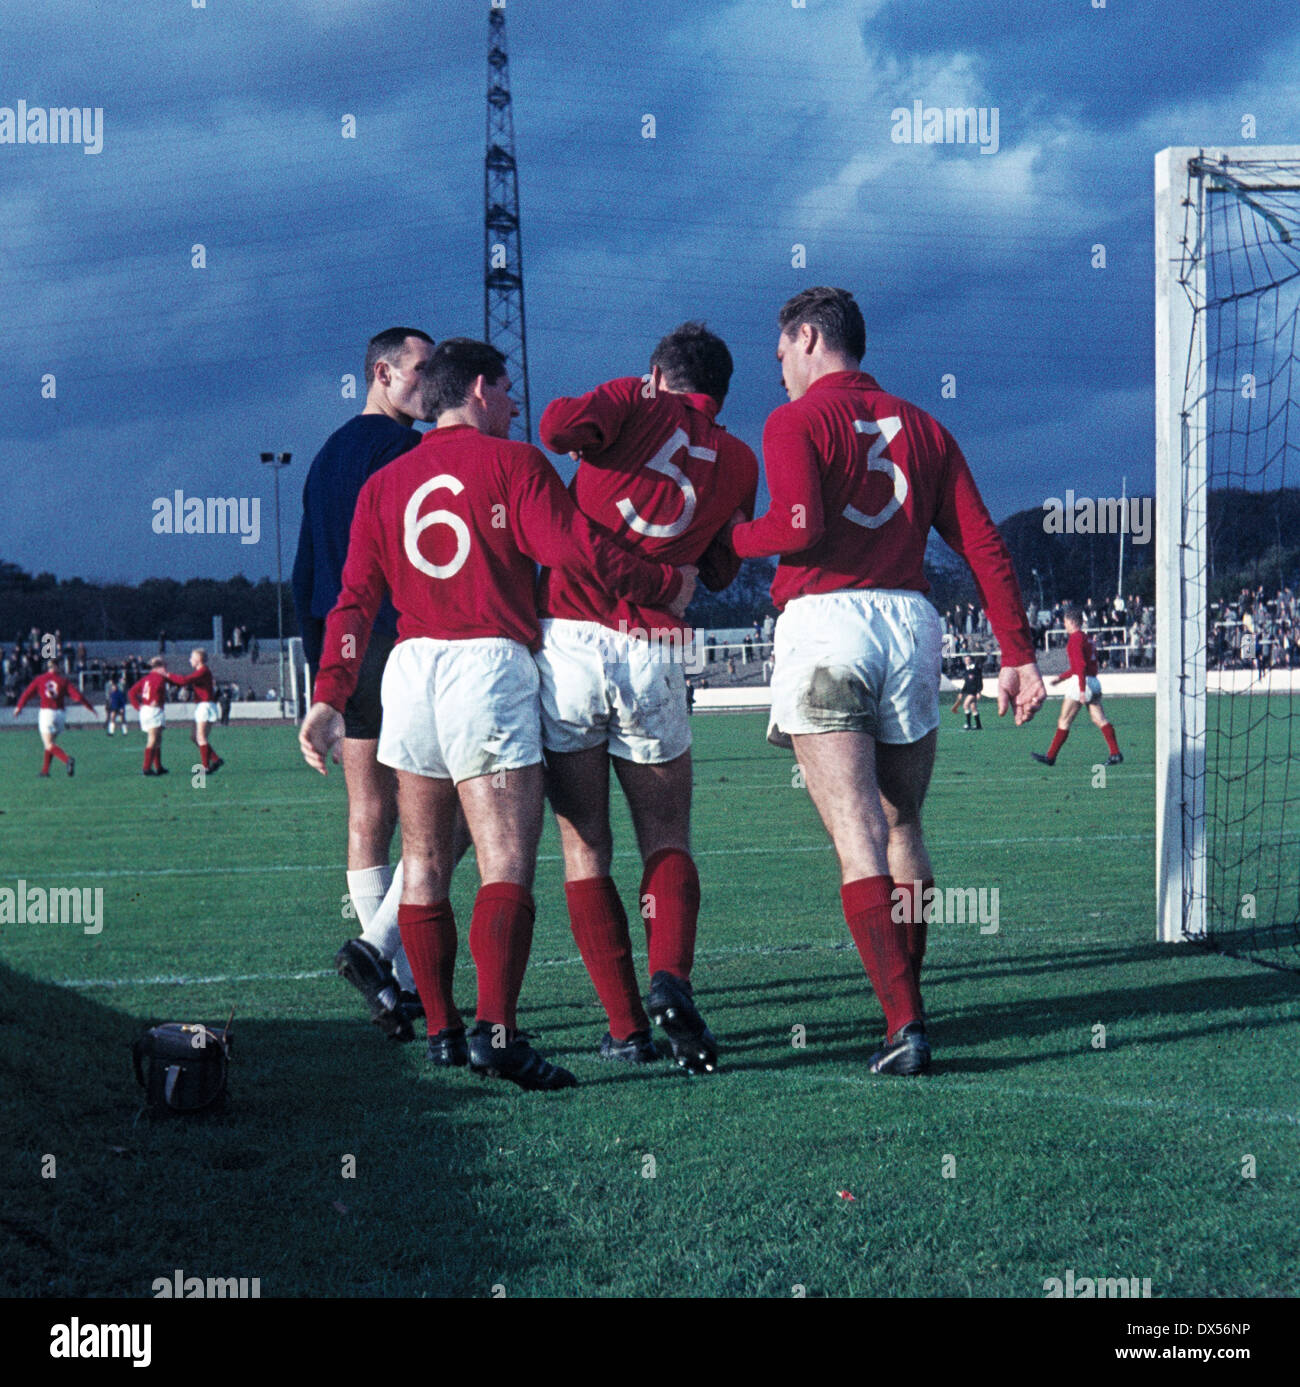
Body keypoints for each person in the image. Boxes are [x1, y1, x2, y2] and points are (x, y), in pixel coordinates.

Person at [299, 337, 695, 1091]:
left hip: (410, 673)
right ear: (481, 389)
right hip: (488, 664)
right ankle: (498, 1033)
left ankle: (444, 1032)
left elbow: (352, 601)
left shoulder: (385, 482)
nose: (517, 406)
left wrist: (327, 694)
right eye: (510, 391)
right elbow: (577, 551)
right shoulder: (515, 466)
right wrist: (658, 580)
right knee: (507, 859)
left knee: (422, 862)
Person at [729, 286, 1045, 1076]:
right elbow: (983, 544)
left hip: (829, 621)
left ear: (808, 338)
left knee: (857, 835)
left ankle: (903, 1022)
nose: (779, 376)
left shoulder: (795, 421)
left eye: (781, 357)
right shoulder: (927, 426)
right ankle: (911, 1008)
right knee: (903, 824)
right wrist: (1018, 651)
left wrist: (728, 537)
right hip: (911, 624)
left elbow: (797, 527)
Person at [535, 322, 758, 1072]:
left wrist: (633, 393)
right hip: (655, 646)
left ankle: (626, 1027)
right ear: (719, 392)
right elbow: (724, 570)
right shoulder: (737, 456)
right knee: (666, 835)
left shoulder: (633, 402)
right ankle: (672, 979)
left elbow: (557, 424)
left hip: (569, 635)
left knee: (583, 845)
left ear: (658, 375)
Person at [292, 326, 444, 1040]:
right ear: (382, 372)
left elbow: (303, 571)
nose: (431, 381)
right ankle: (382, 954)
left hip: (339, 642)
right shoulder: (412, 451)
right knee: (445, 810)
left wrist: (320, 673)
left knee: (365, 813)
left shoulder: (324, 457)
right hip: (399, 639)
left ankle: (393, 986)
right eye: (420, 370)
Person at [1032, 607, 1123, 767]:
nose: (1064, 625)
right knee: (1099, 719)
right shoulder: (1087, 638)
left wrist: (1081, 690)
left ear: (1073, 622)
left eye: (1066, 622)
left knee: (1064, 720)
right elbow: (1080, 666)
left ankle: (1051, 757)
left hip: (1082, 683)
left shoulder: (1075, 639)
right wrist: (1060, 679)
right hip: (1094, 681)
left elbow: (1079, 666)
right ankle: (1115, 753)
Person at [13, 658, 99, 776]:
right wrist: (91, 708)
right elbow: (78, 697)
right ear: (57, 667)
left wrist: (19, 707)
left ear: (48, 667)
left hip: (47, 713)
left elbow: (27, 693)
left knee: (48, 744)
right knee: (50, 743)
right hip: (60, 714)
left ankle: (67, 760)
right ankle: (45, 771)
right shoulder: (63, 681)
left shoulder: (40, 679)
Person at [167, 648, 224, 773]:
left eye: (192, 658)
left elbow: (184, 680)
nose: (189, 660)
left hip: (205, 705)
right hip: (205, 705)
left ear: (198, 660)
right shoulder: (203, 671)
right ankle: (215, 759)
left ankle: (205, 767)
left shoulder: (203, 671)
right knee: (195, 737)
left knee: (200, 737)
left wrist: (167, 675)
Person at [128, 656, 171, 775]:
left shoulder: (146, 678)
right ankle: (146, 767)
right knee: (153, 739)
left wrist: (138, 706)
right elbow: (157, 689)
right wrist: (156, 700)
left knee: (158, 738)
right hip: (154, 710)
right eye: (164, 667)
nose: (166, 669)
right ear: (159, 667)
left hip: (146, 710)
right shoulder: (159, 678)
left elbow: (131, 692)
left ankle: (158, 766)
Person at [953, 656, 984, 730]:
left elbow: (979, 681)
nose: (967, 661)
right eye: (965, 660)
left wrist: (979, 692)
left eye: (968, 659)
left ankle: (968, 724)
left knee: (965, 705)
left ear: (971, 660)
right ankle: (978, 725)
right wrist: (961, 692)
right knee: (973, 708)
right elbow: (966, 683)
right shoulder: (966, 670)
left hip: (974, 692)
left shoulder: (976, 669)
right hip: (969, 691)